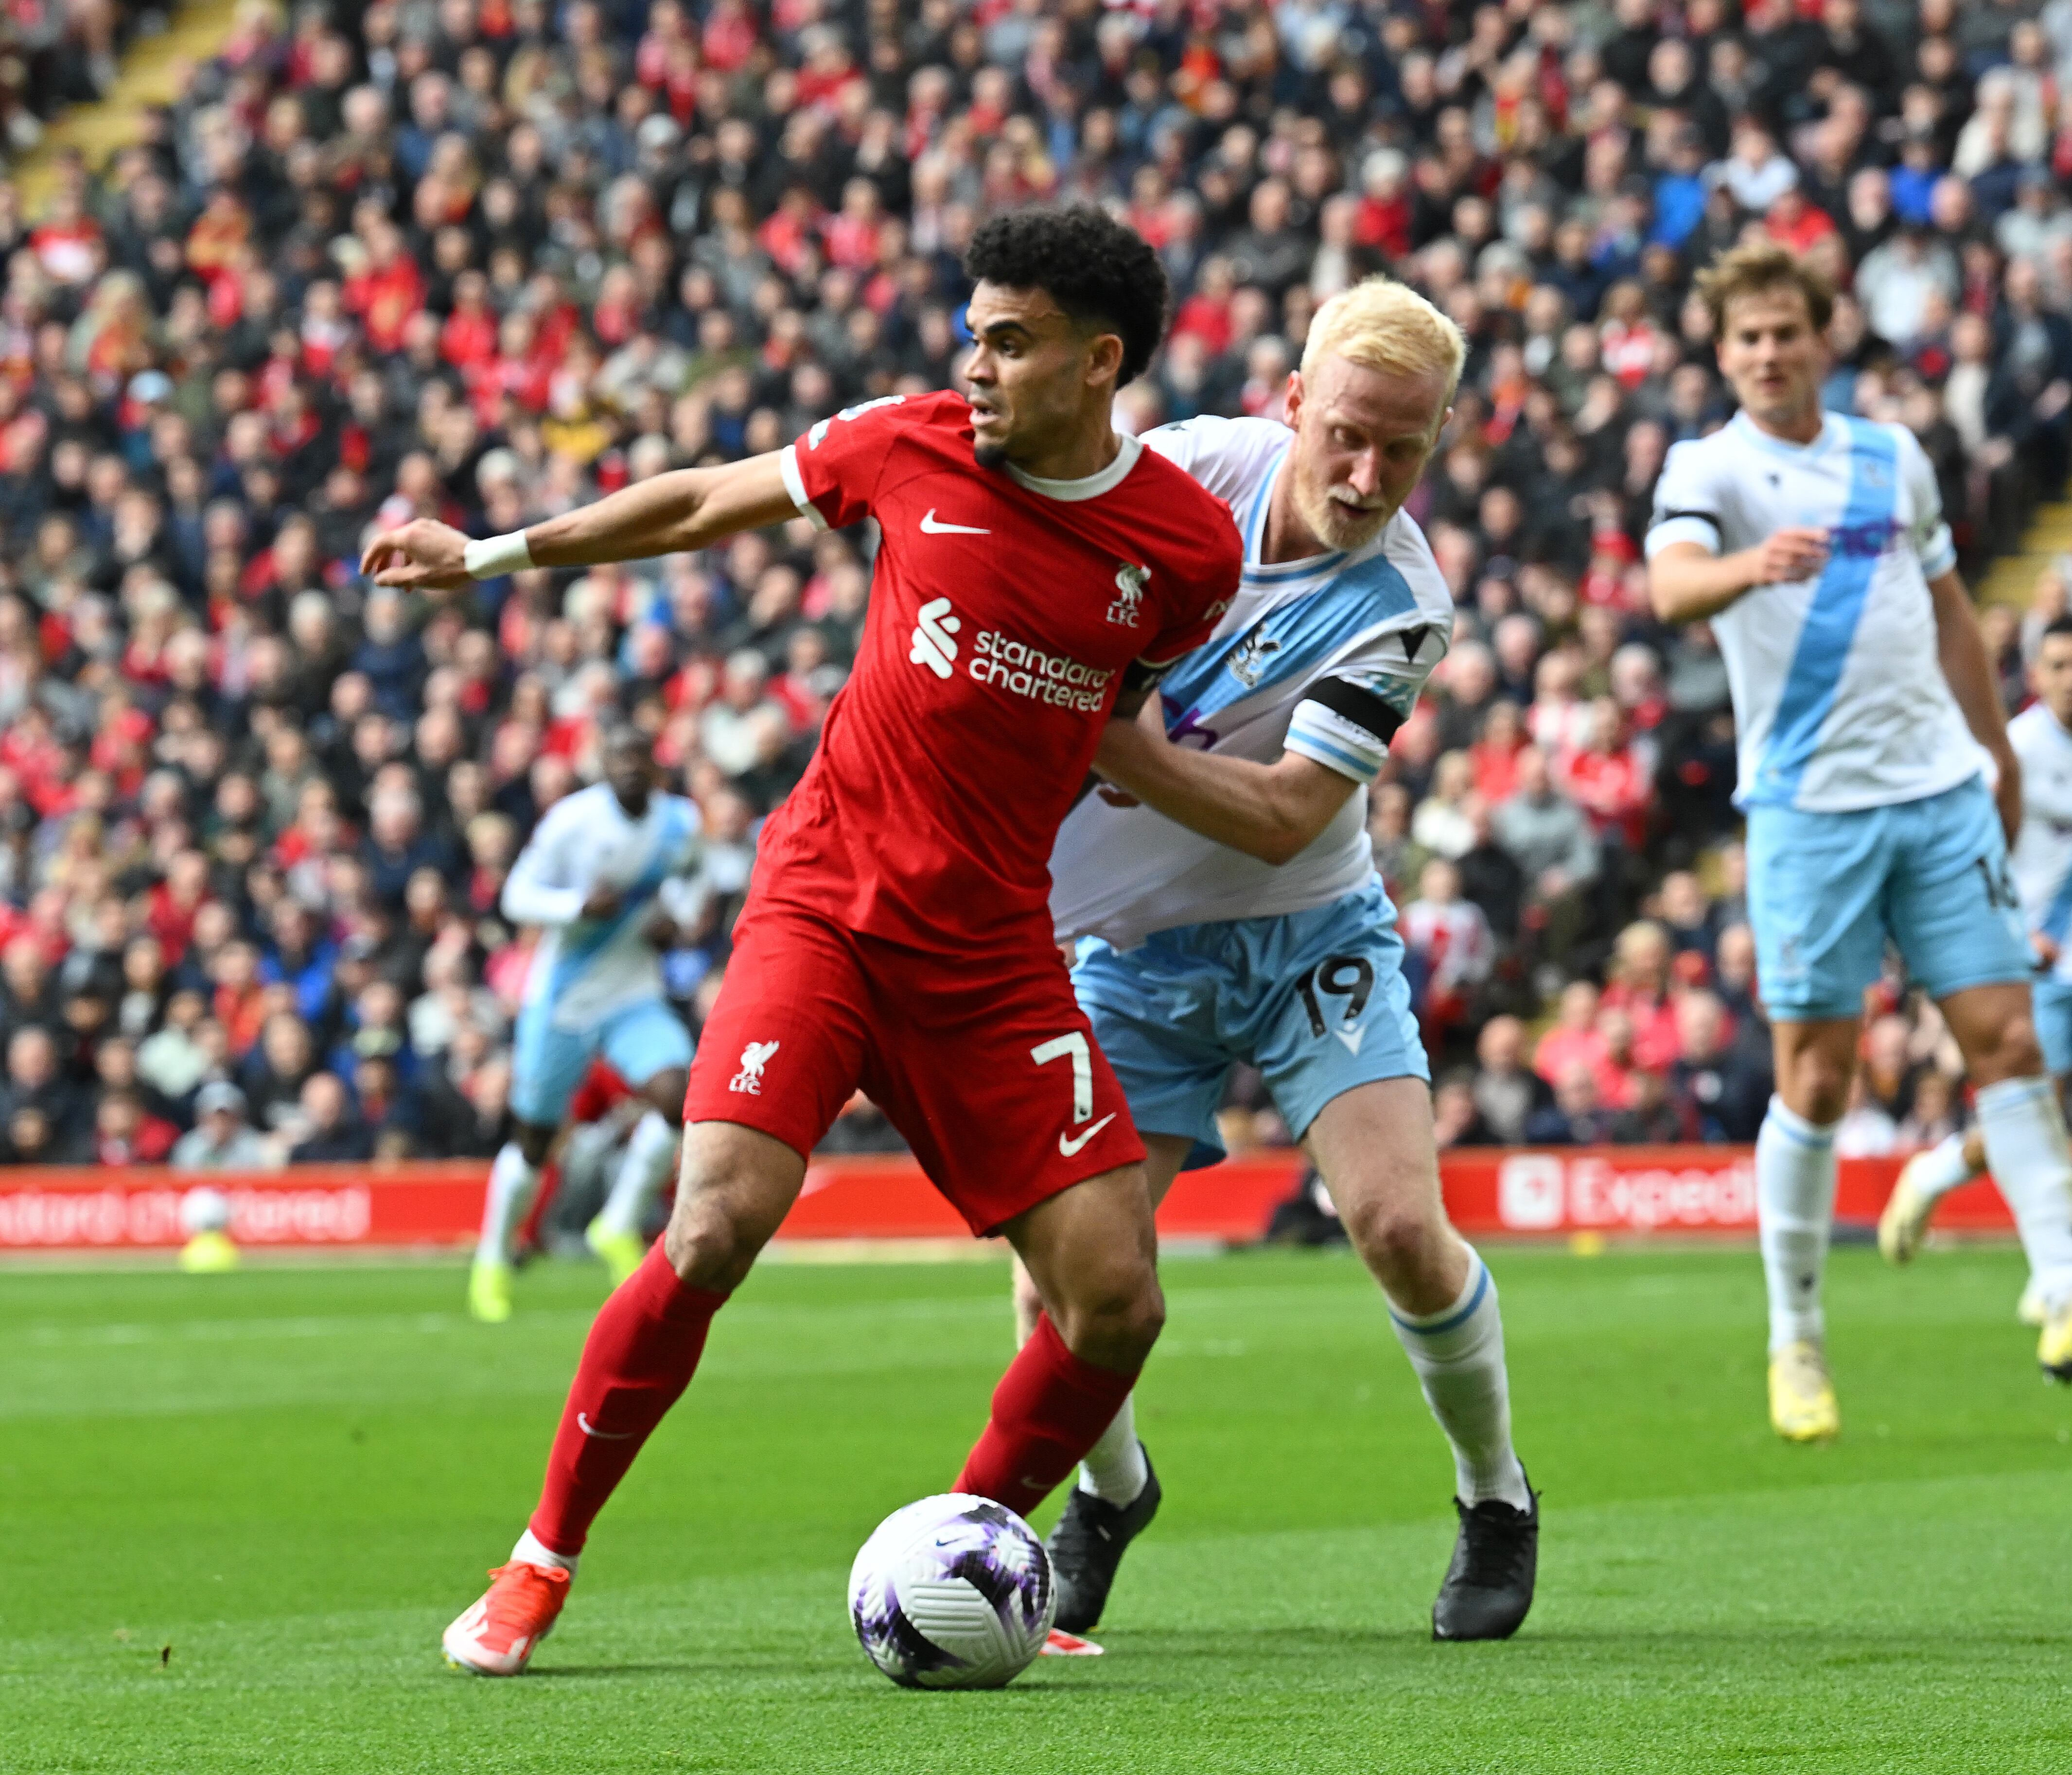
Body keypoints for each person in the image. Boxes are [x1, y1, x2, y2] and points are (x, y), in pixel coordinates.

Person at [363, 206, 1243, 1676]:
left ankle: (968, 1553)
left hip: (990, 954)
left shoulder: (1185, 551)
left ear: (1098, 364)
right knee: (712, 1218)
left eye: (1008, 342)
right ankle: (539, 1558)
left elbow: (1112, 712)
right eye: (970, 332)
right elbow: (707, 501)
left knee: (1116, 1294)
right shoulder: (908, 446)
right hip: (825, 905)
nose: (973, 365)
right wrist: (495, 555)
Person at [1036, 278, 1536, 1643]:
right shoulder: (1185, 470)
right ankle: (1111, 1491)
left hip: (1305, 929)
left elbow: (1279, 818)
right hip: (1128, 949)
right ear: (1292, 401)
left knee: (1393, 1227)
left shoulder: (1400, 606)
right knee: (1067, 1278)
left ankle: (1493, 1494)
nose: (1370, 475)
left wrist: (1102, 731)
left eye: (1407, 448)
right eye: (1348, 436)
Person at [1646, 240, 2072, 1444]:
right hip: (1806, 810)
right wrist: (1744, 567)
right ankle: (1793, 1338)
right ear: (1722, 352)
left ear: (1822, 336)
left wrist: (1990, 751)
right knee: (1815, 1080)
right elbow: (1668, 589)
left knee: (2002, 1037)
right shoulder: (1708, 469)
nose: (1768, 352)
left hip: (1935, 787)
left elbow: (1942, 610)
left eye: (1786, 330)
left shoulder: (1890, 457)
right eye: (1746, 337)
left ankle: (2058, 1285)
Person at [465, 725, 703, 1323]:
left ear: (655, 767)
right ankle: (492, 1258)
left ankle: (617, 1225)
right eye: (616, 758)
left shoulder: (679, 823)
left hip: (632, 994)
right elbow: (516, 895)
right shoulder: (573, 822)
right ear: (601, 766)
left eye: (637, 757)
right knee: (535, 1140)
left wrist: (676, 919)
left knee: (680, 1096)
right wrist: (574, 907)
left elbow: (693, 882)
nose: (627, 768)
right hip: (564, 1000)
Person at [1878, 614, 2072, 1326]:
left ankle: (2054, 1277)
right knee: (2033, 1115)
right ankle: (1937, 1174)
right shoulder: (2013, 749)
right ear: (2036, 673)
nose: (2068, 681)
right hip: (2035, 969)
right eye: (2057, 666)